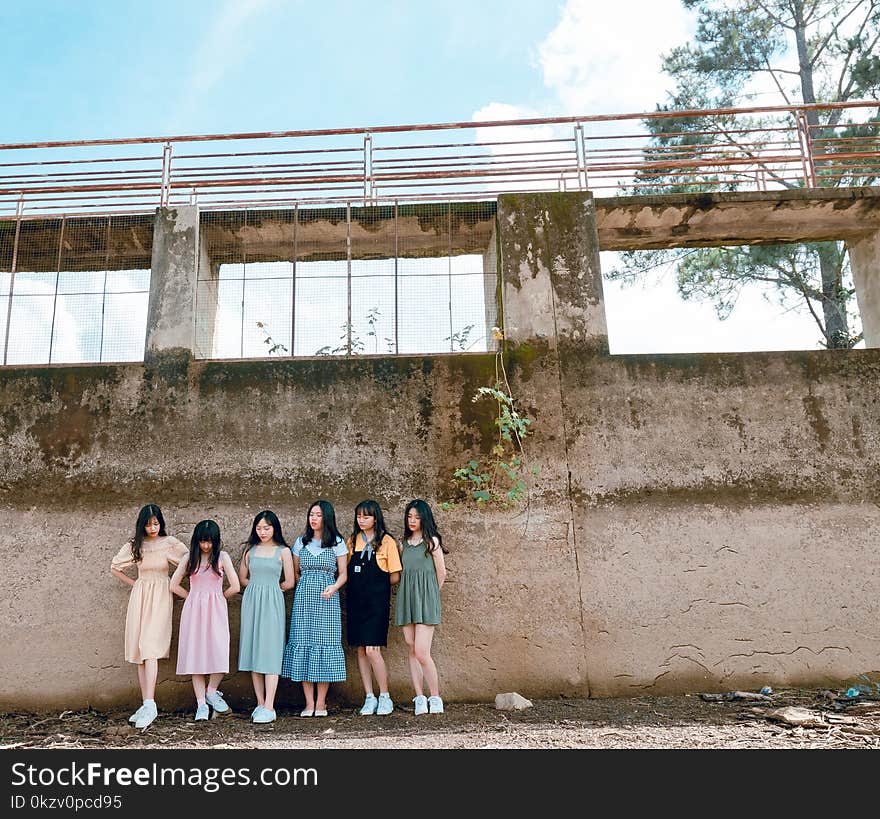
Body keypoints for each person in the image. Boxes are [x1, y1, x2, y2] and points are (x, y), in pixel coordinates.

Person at [110, 504, 188, 729]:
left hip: (162, 595)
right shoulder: (135, 546)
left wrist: (174, 584)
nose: (153, 528)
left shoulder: (169, 543)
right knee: (141, 648)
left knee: (152, 647)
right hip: (141, 595)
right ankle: (146, 703)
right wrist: (135, 584)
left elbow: (187, 560)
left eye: (156, 523)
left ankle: (151, 703)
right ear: (141, 525)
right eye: (148, 524)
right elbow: (115, 567)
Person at [282, 500, 348, 717]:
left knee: (324, 644)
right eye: (311, 514)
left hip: (328, 601)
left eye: (318, 515)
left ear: (326, 517)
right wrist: (308, 586)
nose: (313, 518)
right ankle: (308, 703)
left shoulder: (337, 543)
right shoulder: (300, 542)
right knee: (304, 643)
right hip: (304, 600)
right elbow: (296, 572)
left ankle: (321, 703)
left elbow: (343, 575)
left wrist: (333, 587)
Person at [170, 520, 240, 721]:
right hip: (194, 612)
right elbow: (173, 585)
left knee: (219, 650)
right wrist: (193, 597)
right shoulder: (189, 558)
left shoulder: (223, 558)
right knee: (196, 655)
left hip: (216, 610)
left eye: (209, 542)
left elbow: (235, 586)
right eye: (202, 542)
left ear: (216, 541)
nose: (206, 546)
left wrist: (218, 598)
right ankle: (201, 704)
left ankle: (211, 691)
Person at [237, 510, 295, 724]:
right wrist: (255, 588)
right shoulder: (249, 551)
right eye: (259, 528)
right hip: (251, 602)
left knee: (270, 651)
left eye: (267, 528)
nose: (262, 532)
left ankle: (270, 706)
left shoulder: (283, 551)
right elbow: (242, 578)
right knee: (253, 649)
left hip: (273, 602)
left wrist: (272, 589)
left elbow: (290, 581)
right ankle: (260, 703)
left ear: (275, 529)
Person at [345, 499, 401, 716]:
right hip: (355, 602)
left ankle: (385, 696)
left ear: (376, 518)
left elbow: (394, 576)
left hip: (376, 604)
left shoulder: (387, 542)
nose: (361, 520)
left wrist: (374, 586)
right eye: (359, 516)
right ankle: (369, 697)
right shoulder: (352, 541)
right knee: (360, 649)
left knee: (372, 650)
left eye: (366, 516)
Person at [395, 499, 448, 715]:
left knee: (422, 652)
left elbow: (442, 573)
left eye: (417, 517)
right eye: (409, 517)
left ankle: (435, 697)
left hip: (426, 600)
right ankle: (419, 697)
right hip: (407, 598)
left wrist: (431, 596)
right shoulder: (404, 543)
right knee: (410, 646)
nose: (412, 521)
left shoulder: (431, 541)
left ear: (424, 518)